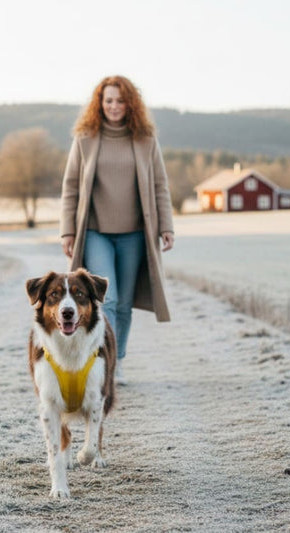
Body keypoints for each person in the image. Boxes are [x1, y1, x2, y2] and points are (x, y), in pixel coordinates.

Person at [60, 75, 174, 385]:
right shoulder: (85, 138)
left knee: (124, 304)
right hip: (96, 232)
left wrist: (166, 225)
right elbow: (70, 187)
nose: (114, 106)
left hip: (135, 234)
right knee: (106, 301)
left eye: (120, 101)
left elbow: (160, 185)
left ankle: (118, 360)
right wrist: (67, 231)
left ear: (130, 104)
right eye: (108, 100)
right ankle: (103, 362)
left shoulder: (146, 140)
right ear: (100, 103)